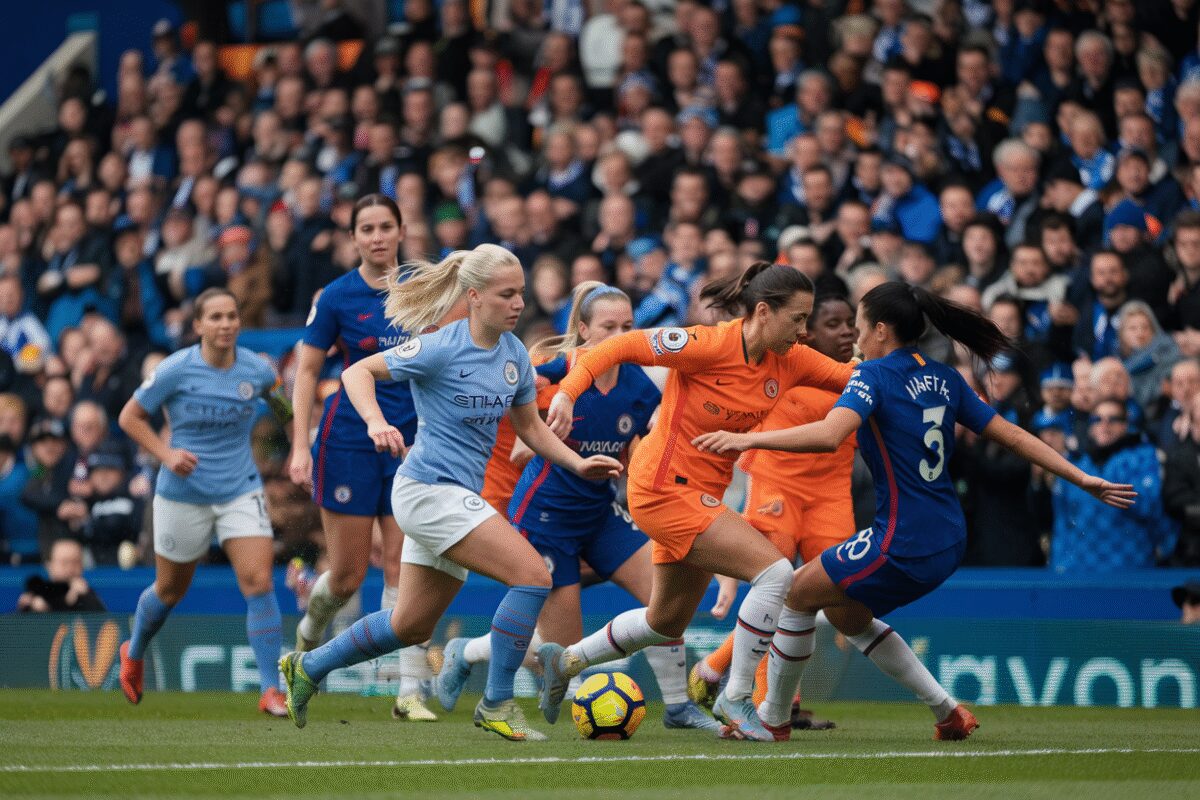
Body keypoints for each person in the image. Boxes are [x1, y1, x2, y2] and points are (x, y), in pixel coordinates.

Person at [691, 282, 1135, 741]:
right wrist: (1080, 477)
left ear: (882, 330)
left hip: (900, 539)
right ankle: (948, 712)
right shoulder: (945, 377)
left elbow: (828, 435)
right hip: (948, 536)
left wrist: (748, 439)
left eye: (860, 326)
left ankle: (772, 718)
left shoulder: (873, 377)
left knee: (793, 594)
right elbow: (1013, 435)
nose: (856, 337)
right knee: (846, 616)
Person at [277, 244, 623, 742]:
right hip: (426, 492)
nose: (519, 303)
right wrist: (376, 422)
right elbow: (356, 372)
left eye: (522, 293)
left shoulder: (514, 358)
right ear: (475, 296)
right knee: (531, 576)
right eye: (507, 294)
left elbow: (530, 427)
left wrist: (575, 461)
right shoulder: (440, 345)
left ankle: (308, 666)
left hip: (454, 496)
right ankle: (498, 702)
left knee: (410, 626)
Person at [538, 262, 855, 741]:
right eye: (797, 319)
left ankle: (566, 660)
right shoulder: (707, 345)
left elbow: (852, 379)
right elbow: (622, 345)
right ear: (763, 312)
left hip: (701, 496)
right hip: (662, 487)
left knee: (664, 620)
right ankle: (737, 697)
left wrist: (914, 375)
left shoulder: (791, 360)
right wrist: (567, 393)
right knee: (774, 573)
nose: (804, 330)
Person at [434, 281, 716, 732]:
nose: (621, 335)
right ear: (584, 330)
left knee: (665, 603)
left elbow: (650, 442)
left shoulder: (641, 386)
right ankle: (465, 651)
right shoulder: (555, 372)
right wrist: (534, 436)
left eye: (628, 326)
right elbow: (504, 400)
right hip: (546, 518)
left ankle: (679, 706)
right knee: (562, 655)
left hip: (602, 516)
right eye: (609, 326)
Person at [287, 194, 435, 721]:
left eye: (385, 226)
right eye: (366, 228)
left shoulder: (425, 287)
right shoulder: (337, 297)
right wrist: (300, 444)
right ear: (354, 238)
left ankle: (407, 690)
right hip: (349, 439)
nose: (376, 236)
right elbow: (306, 371)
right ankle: (308, 636)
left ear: (400, 230)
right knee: (347, 574)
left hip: (411, 442)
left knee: (402, 565)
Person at [117, 288, 290, 717]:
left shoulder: (258, 370)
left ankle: (271, 690)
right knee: (170, 590)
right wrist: (166, 454)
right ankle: (134, 650)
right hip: (183, 494)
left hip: (240, 488)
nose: (226, 324)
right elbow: (129, 417)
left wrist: (295, 438)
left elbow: (282, 407)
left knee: (260, 583)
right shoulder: (175, 370)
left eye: (231, 315)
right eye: (215, 317)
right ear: (197, 326)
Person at [688, 294, 858, 728]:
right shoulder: (786, 363)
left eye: (850, 323)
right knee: (776, 587)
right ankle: (772, 706)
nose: (846, 331)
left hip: (831, 495)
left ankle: (715, 666)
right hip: (775, 484)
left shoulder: (860, 376)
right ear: (806, 331)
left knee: (827, 592)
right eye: (833, 324)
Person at [17, 538, 105, 612]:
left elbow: (103, 625)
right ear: (49, 566)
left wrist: (84, 598)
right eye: (64, 563)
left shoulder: (87, 595)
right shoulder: (36, 595)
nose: (70, 568)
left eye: (76, 562)